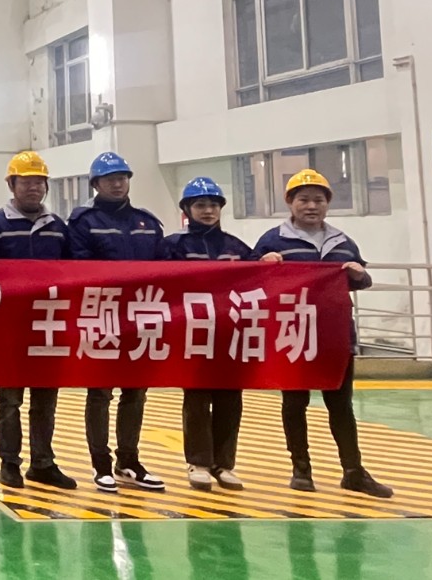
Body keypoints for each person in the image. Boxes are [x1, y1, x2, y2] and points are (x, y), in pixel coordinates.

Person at [254, 169, 394, 499]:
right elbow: (252, 280)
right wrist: (263, 264)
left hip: (335, 335)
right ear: (290, 203)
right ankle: (301, 470)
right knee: (294, 403)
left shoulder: (343, 242)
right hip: (292, 334)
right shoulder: (273, 241)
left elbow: (362, 280)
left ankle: (353, 471)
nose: (311, 206)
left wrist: (359, 275)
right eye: (303, 199)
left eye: (318, 200)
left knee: (341, 405)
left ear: (328, 204)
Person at [67, 152, 167, 494]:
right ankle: (101, 464)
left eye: (122, 177)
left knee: (135, 392)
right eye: (110, 178)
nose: (117, 183)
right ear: (96, 184)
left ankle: (129, 461)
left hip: (141, 317)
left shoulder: (147, 223)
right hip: (102, 315)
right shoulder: (83, 222)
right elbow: (79, 267)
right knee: (100, 392)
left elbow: (167, 269)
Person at [0, 151, 79, 491]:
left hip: (48, 327)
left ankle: (43, 463)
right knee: (10, 399)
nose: (34, 188)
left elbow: (74, 272)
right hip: (11, 327)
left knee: (45, 400)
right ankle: (9, 463)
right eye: (26, 182)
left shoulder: (58, 228)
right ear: (12, 185)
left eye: (39, 182)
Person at [162, 177, 252, 493]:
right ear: (187, 209)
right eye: (200, 205)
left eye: (213, 204)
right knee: (197, 399)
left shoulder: (236, 248)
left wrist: (271, 263)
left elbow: (260, 281)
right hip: (193, 334)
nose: (208, 210)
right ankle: (198, 462)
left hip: (229, 334)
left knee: (230, 400)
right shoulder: (173, 246)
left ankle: (224, 464)